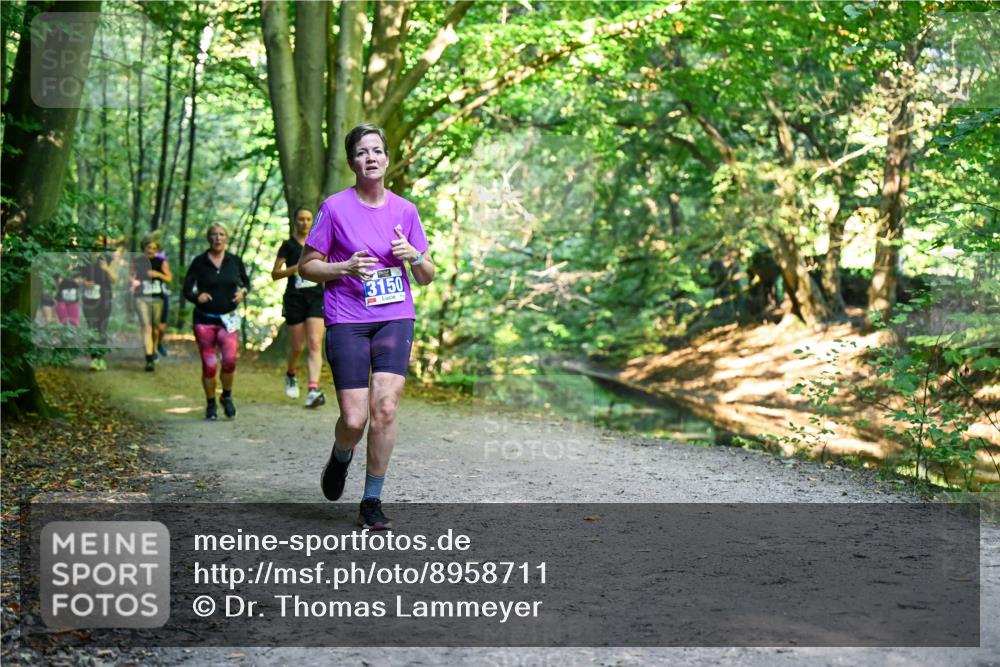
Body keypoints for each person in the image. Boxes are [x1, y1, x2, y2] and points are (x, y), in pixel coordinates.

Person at [299, 123, 435, 530]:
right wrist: (344, 267)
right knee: (354, 420)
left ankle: (371, 499)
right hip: (347, 318)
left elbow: (427, 275)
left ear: (387, 159)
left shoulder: (406, 211)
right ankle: (342, 455)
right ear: (352, 162)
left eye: (377, 150)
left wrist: (413, 255)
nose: (371, 158)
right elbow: (307, 266)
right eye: (362, 152)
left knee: (386, 408)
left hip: (395, 315)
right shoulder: (335, 207)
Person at [183, 223, 250, 421]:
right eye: (213, 234)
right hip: (204, 320)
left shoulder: (234, 261)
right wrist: (197, 297)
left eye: (221, 234)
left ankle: (226, 396)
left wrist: (242, 293)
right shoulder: (199, 262)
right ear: (208, 238)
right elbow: (187, 289)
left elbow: (246, 283)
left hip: (228, 320)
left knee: (229, 360)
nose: (217, 238)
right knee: (209, 364)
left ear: (226, 238)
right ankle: (210, 403)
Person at [271, 206, 326, 408]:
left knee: (314, 343)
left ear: (313, 222)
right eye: (301, 219)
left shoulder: (318, 243)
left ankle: (313, 389)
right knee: (297, 347)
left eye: (308, 219)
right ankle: (291, 373)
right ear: (295, 221)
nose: (304, 222)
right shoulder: (288, 245)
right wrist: (298, 268)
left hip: (316, 297)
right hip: (294, 298)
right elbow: (275, 274)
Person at [131, 235, 172, 371]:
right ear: (144, 247)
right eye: (149, 248)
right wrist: (133, 282)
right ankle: (149, 357)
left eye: (154, 248)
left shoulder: (161, 262)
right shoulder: (137, 261)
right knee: (146, 327)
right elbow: (130, 276)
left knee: (155, 328)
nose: (151, 251)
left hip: (157, 298)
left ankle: (154, 350)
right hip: (141, 297)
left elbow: (169, 278)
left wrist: (158, 275)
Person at [80, 248, 116, 370]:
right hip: (88, 299)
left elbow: (114, 279)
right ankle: (94, 359)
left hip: (105, 298)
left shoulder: (107, 257)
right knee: (92, 327)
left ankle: (101, 358)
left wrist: (106, 268)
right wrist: (83, 282)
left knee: (102, 327)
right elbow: (76, 277)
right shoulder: (84, 258)